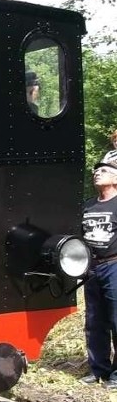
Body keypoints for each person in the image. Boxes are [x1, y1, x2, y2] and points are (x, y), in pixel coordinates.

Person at [81, 159, 117, 389]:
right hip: (91, 268)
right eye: (95, 171)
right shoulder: (87, 206)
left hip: (114, 266)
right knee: (94, 321)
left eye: (103, 170)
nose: (97, 173)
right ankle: (98, 369)